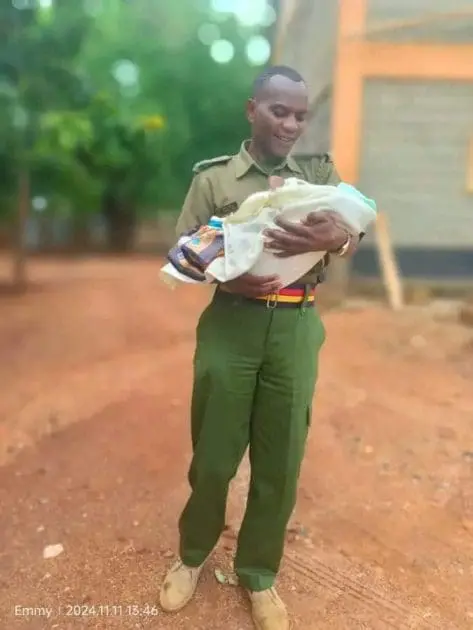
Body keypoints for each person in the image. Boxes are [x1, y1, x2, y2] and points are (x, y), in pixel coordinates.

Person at [158, 65, 361, 630]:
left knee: (281, 460)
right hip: (232, 325)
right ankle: (192, 555)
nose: (291, 124)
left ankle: (259, 576)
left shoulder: (319, 172)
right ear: (253, 110)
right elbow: (185, 250)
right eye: (280, 111)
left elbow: (356, 224)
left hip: (296, 328)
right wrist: (225, 275)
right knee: (215, 454)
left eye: (300, 115)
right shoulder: (216, 179)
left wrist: (338, 236)